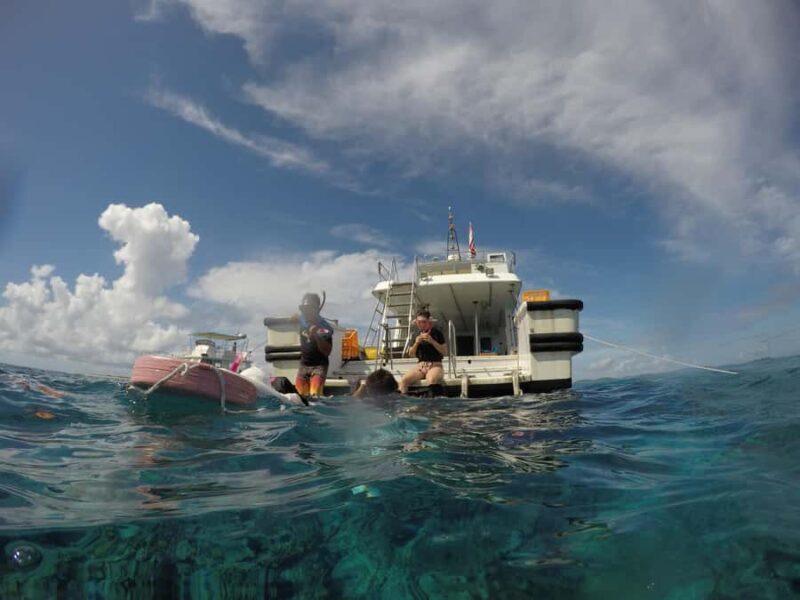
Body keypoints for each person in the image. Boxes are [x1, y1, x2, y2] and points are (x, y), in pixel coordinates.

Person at [399, 309, 448, 394]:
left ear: (429, 322)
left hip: (435, 365)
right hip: (421, 366)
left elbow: (445, 352)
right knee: (404, 380)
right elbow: (411, 354)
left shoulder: (437, 333)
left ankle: (433, 404)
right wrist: (416, 343)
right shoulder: (415, 334)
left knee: (432, 379)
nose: (421, 324)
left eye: (423, 322)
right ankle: (404, 404)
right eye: (418, 322)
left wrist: (432, 341)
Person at [295, 292, 333, 398]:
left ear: (316, 309)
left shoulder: (324, 328)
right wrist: (294, 317)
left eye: (308, 309)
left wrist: (317, 336)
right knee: (299, 398)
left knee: (315, 397)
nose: (305, 312)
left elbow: (328, 351)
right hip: (303, 365)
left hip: (319, 366)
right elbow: (299, 317)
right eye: (303, 309)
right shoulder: (302, 318)